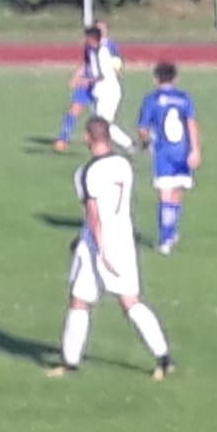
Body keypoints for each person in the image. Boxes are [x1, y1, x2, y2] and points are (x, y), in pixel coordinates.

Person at [48, 117, 177, 381]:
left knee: (117, 302)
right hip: (123, 240)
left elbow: (94, 215)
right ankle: (162, 358)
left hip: (99, 245)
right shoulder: (123, 165)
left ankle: (162, 357)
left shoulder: (86, 173)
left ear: (88, 137)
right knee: (87, 299)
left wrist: (100, 249)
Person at [136, 62, 201, 256]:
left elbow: (142, 129)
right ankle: (171, 233)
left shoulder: (151, 99)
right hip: (182, 152)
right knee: (176, 193)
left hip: (163, 153)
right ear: (175, 78)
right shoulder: (184, 98)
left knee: (165, 196)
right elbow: (191, 124)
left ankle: (165, 240)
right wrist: (195, 150)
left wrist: (145, 142)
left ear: (155, 79)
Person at [82, 22, 134, 152]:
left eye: (87, 38)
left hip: (109, 92)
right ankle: (122, 145)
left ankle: (127, 144)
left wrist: (86, 80)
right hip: (101, 91)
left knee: (103, 124)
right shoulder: (92, 50)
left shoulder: (102, 52)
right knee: (100, 123)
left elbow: (101, 75)